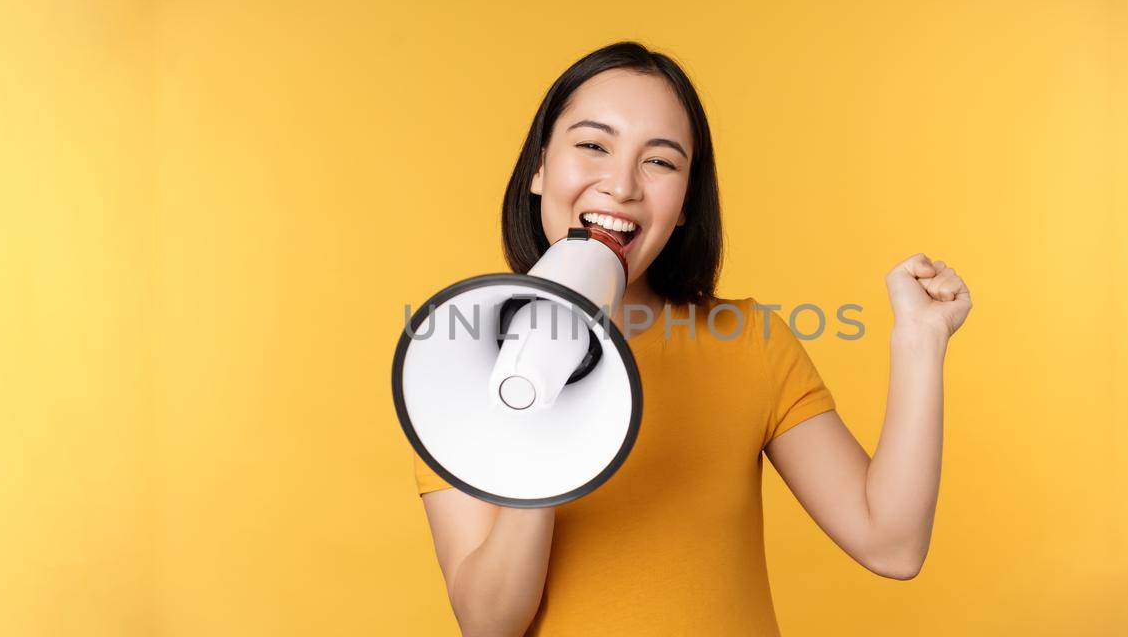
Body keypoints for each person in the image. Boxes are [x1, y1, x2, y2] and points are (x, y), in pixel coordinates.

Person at [411, 41, 972, 636]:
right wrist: (546, 403)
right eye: (593, 145)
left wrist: (920, 339)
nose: (621, 185)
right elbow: (489, 624)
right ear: (540, 168)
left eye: (660, 161)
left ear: (683, 206)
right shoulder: (455, 357)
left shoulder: (748, 342)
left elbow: (892, 545)